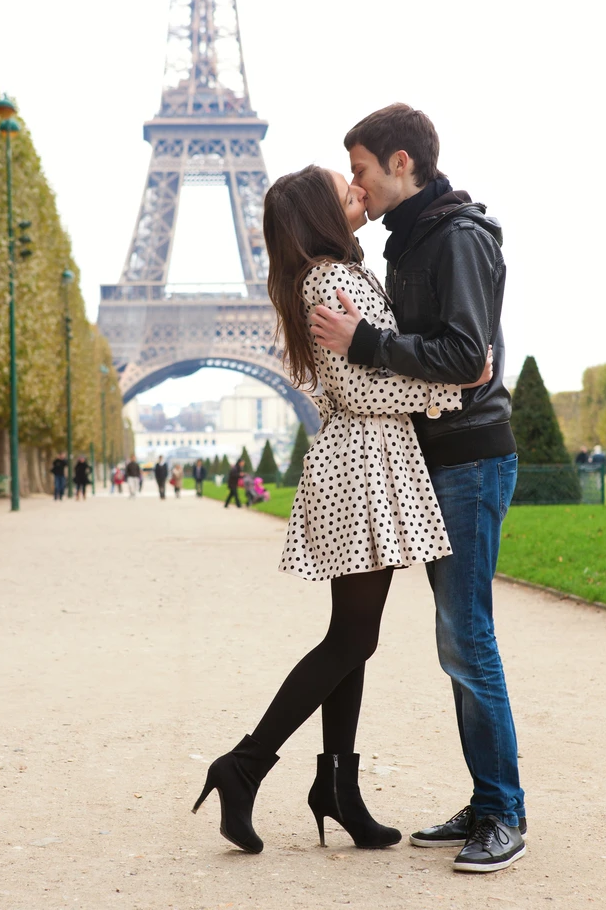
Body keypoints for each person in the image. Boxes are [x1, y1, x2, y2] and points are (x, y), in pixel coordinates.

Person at [193, 163, 488, 859]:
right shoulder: (329, 278)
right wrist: (447, 390)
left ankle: (337, 788)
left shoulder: (331, 273)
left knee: (351, 637)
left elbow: (348, 382)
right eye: (343, 186)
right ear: (318, 214)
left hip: (361, 466)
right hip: (362, 466)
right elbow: (359, 390)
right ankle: (244, 765)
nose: (357, 191)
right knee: (352, 639)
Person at [308, 104, 525, 872]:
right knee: (456, 641)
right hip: (439, 458)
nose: (358, 187)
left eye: (362, 169)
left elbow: (466, 352)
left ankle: (503, 812)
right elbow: (448, 355)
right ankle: (486, 795)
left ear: (403, 163)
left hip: (467, 456)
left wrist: (364, 341)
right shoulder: (410, 241)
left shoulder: (456, 237)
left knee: (466, 638)